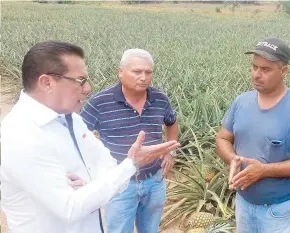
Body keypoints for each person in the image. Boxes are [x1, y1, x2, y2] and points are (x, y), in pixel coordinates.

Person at [0, 41, 180, 233]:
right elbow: (70, 208)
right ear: (47, 82)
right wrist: (130, 165)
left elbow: (105, 162)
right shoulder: (21, 136)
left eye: (148, 72)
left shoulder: (70, 120)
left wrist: (91, 186)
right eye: (80, 80)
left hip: (148, 183)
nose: (88, 88)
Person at [215, 37, 290, 233]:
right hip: (244, 204)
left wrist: (264, 170)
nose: (257, 74)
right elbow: (223, 137)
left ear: (283, 71)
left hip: (282, 211)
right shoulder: (241, 102)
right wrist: (232, 159)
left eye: (265, 69)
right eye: (254, 67)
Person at [80, 48, 178, 233]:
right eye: (137, 71)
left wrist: (170, 153)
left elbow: (171, 122)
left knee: (150, 229)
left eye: (148, 72)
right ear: (120, 71)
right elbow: (79, 135)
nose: (143, 77)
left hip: (154, 180)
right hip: (120, 184)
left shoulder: (160, 99)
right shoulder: (100, 102)